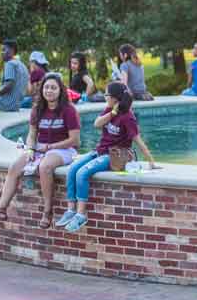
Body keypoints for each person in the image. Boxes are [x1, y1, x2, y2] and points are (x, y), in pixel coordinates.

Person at [0, 73, 81, 229]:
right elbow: (32, 134)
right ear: (41, 90)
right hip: (41, 147)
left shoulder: (69, 110)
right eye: (46, 87)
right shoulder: (37, 109)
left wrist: (50, 147)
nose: (49, 91)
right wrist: (30, 149)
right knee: (15, 167)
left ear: (60, 90)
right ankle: (1, 209)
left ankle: (48, 211)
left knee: (45, 167)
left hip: (64, 149)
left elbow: (74, 140)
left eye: (53, 88)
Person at [58, 82, 159, 232]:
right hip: (100, 150)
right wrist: (112, 113)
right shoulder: (109, 110)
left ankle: (81, 215)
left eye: (106, 95)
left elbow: (138, 140)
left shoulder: (128, 117)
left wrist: (151, 161)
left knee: (82, 174)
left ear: (114, 98)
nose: (105, 97)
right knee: (73, 169)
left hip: (114, 155)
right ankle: (71, 209)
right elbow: (96, 124)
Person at [0, 39, 29, 112]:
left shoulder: (10, 64)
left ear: (12, 50)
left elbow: (9, 84)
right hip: (16, 106)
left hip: (5, 106)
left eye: (4, 50)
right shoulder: (22, 65)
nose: (1, 53)